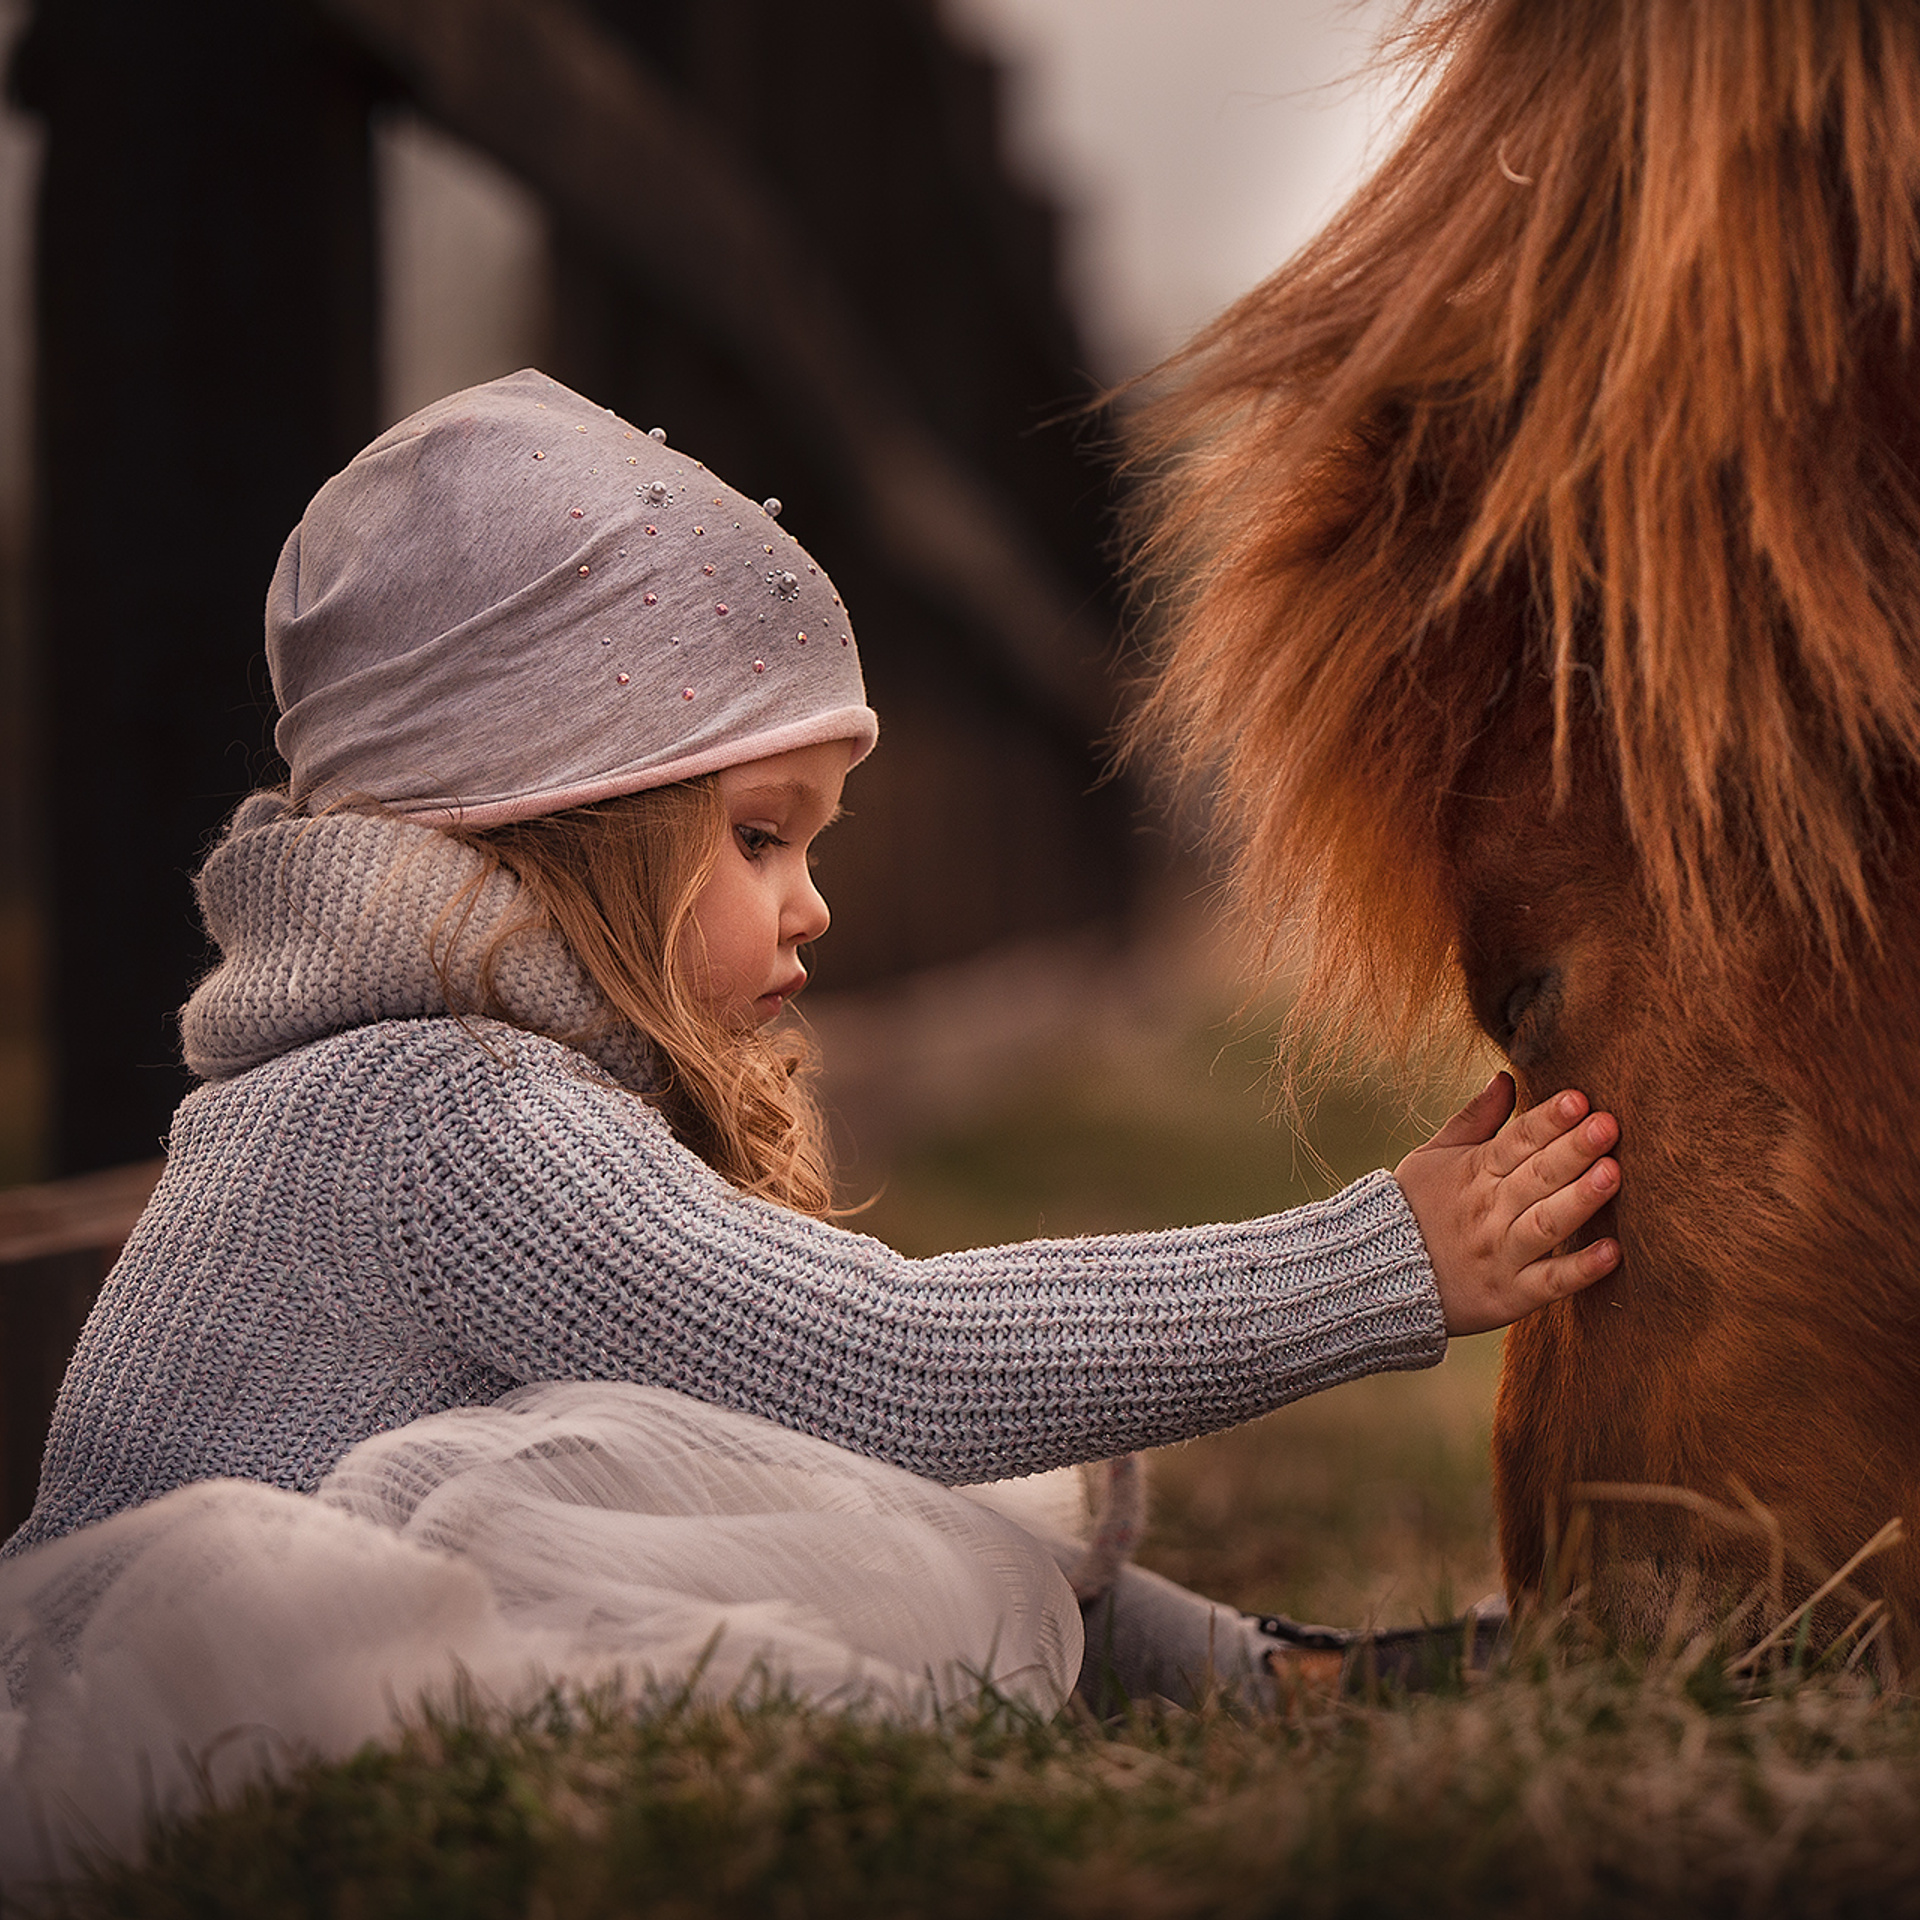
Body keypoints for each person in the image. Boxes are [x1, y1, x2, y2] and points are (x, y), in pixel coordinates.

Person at [0, 371, 1620, 1869]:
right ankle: (1261, 1688)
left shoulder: (416, 1074)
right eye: (762, 836)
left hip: (248, 1630)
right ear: (571, 824)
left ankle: (1262, 1681)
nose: (815, 904)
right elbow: (896, 1366)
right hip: (220, 1696)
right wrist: (1381, 1263)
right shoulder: (446, 1116)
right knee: (860, 1474)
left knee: (819, 1473)